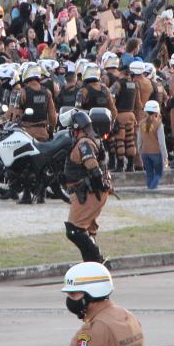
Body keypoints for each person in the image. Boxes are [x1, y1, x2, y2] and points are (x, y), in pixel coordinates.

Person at [61, 262, 144, 346]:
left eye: (73, 294)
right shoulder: (129, 317)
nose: (70, 299)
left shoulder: (92, 332)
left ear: (91, 293)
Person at [63, 111, 111, 264]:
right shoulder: (91, 140)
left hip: (88, 192)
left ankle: (97, 260)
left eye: (73, 129)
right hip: (92, 192)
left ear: (78, 128)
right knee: (87, 230)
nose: (72, 132)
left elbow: (93, 167)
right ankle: (92, 264)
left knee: (74, 230)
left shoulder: (84, 143)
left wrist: (97, 187)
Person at [109, 62, 141, 172]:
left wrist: (113, 118)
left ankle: (120, 165)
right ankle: (130, 165)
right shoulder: (135, 84)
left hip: (120, 115)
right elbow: (138, 104)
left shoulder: (117, 84)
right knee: (130, 141)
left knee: (120, 141)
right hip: (131, 115)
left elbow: (111, 101)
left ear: (120, 72)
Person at [15, 63, 56, 142]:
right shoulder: (47, 92)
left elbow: (16, 117)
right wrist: (50, 131)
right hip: (43, 135)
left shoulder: (22, 92)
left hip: (26, 135)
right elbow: (53, 118)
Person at [139, 100, 168, 189]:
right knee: (158, 173)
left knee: (149, 174)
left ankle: (149, 189)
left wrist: (140, 153)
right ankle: (151, 189)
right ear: (157, 111)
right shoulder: (159, 124)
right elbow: (162, 143)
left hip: (145, 153)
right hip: (156, 153)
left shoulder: (141, 123)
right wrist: (165, 156)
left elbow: (139, 141)